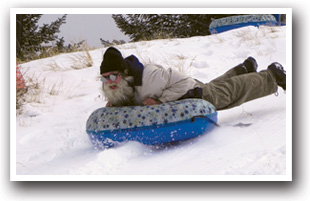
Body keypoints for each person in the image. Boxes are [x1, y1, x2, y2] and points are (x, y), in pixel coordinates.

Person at [100, 47, 286, 110]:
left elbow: (184, 82)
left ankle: (272, 76)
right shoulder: (125, 83)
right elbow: (133, 96)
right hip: (184, 94)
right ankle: (243, 69)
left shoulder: (150, 76)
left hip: (192, 92)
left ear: (124, 73)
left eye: (113, 75)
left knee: (229, 93)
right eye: (105, 78)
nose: (109, 82)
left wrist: (160, 100)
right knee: (218, 86)